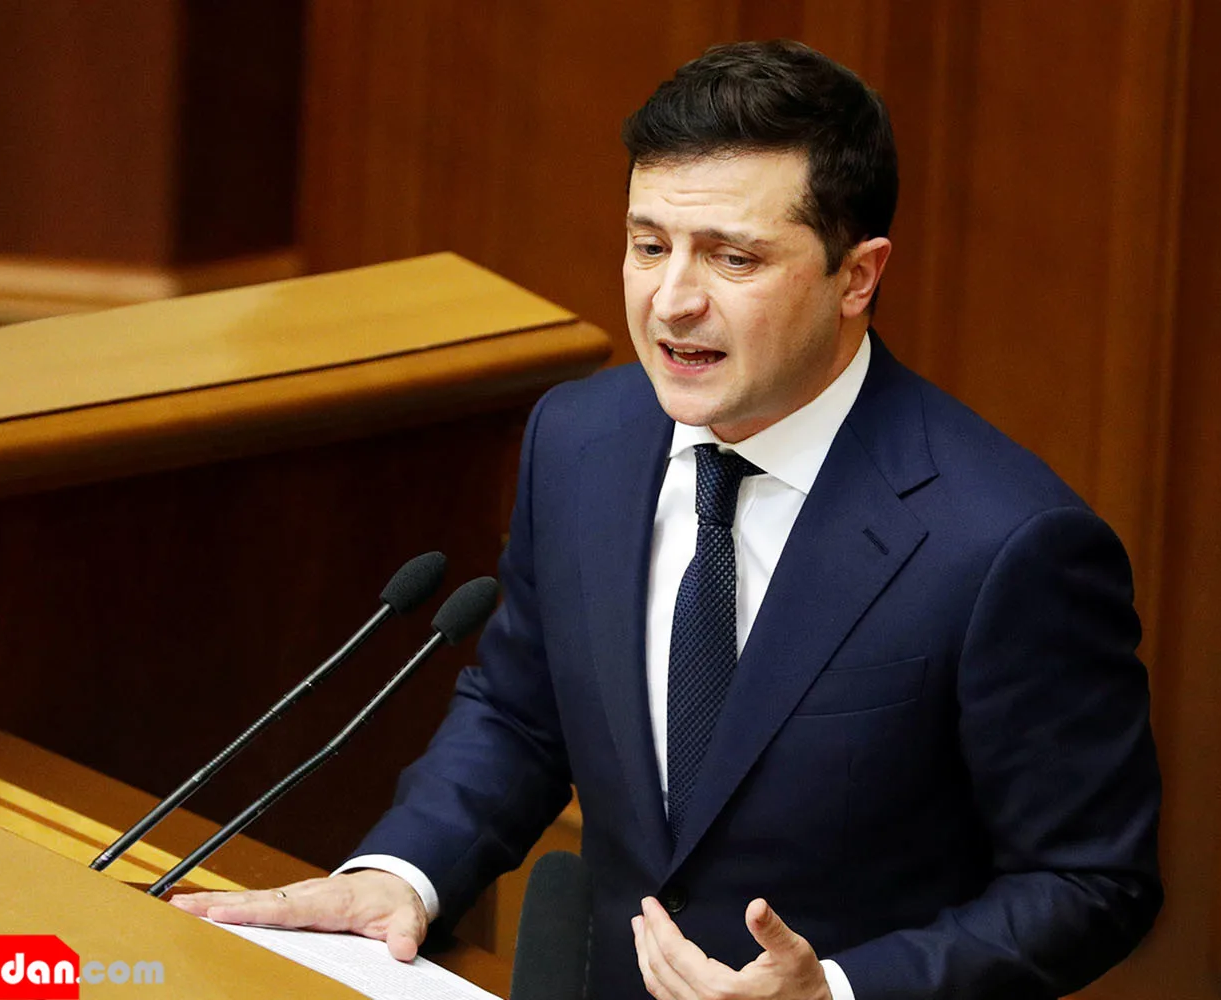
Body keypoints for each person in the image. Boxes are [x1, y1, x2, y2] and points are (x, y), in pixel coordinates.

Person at [175, 39, 1162, 1000]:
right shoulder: (580, 442)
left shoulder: (1005, 544)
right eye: (649, 246)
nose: (672, 300)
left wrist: (840, 991)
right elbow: (521, 714)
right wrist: (405, 872)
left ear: (857, 276)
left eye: (733, 257)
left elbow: (1090, 882)